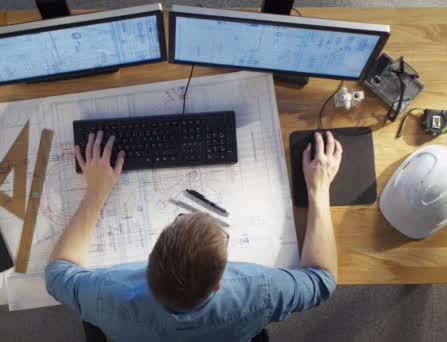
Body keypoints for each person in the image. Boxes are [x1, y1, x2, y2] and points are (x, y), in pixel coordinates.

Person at [46, 130, 342, 342]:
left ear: (150, 261)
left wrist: (96, 193)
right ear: (217, 285)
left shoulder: (105, 295)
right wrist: (318, 189)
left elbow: (57, 273)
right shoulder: (260, 290)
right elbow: (322, 280)